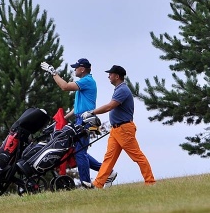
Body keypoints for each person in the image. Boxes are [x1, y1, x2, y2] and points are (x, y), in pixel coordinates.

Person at [40, 58, 118, 188]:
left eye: (76, 67)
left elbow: (65, 87)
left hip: (86, 120)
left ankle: (86, 183)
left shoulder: (87, 81)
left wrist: (53, 72)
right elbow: (77, 108)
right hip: (80, 119)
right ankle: (107, 172)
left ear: (82, 69)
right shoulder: (84, 82)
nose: (75, 69)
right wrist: (64, 117)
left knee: (80, 152)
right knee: (79, 151)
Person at [82, 65, 155, 188]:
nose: (108, 76)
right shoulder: (118, 89)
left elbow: (110, 106)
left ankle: (150, 182)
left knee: (137, 156)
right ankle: (97, 184)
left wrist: (92, 112)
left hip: (124, 129)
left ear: (117, 76)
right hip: (116, 130)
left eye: (110, 74)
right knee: (108, 158)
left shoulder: (122, 90)